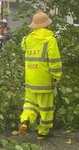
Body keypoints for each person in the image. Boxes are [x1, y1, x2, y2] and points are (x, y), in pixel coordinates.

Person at [18, 12, 62, 140]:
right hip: (44, 81)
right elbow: (54, 61)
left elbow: (23, 47)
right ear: (47, 24)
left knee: (30, 104)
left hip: (31, 80)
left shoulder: (27, 39)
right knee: (46, 108)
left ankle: (25, 120)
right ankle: (43, 132)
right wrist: (56, 77)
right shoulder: (50, 40)